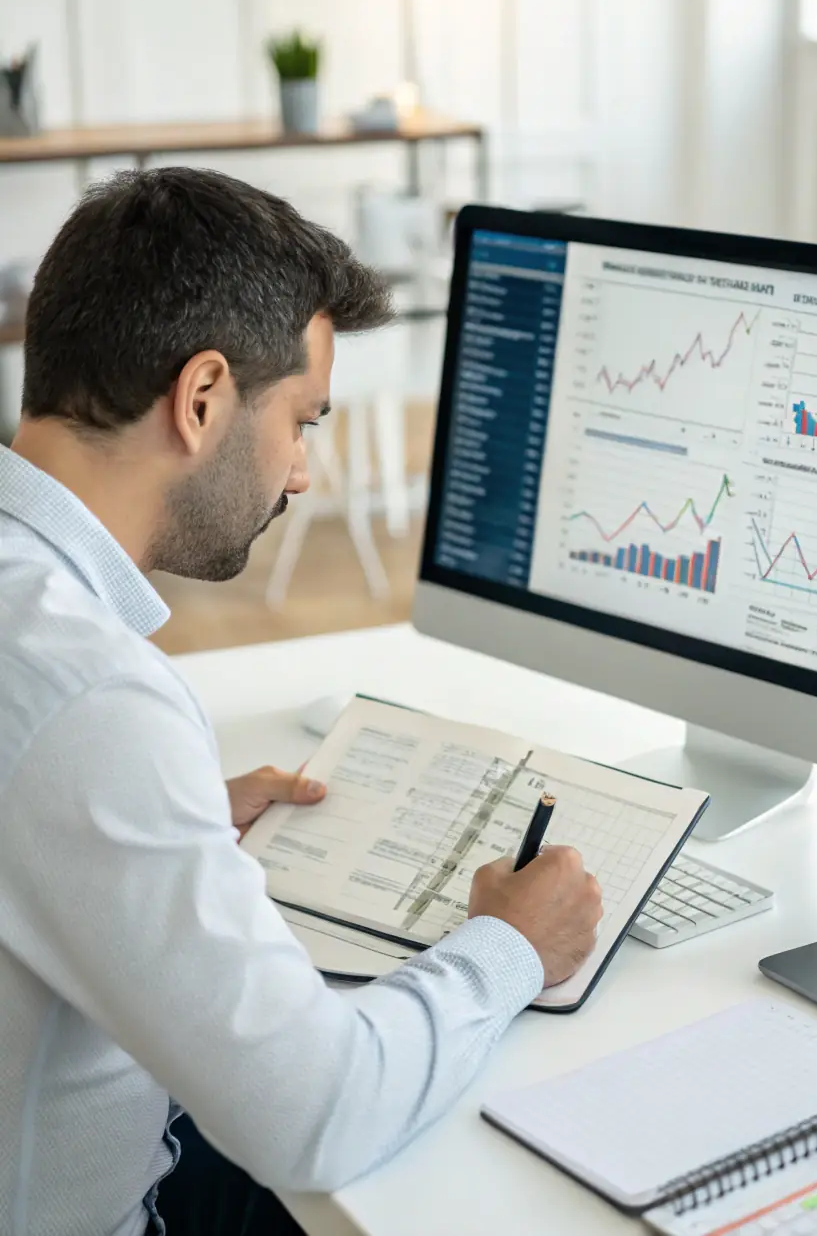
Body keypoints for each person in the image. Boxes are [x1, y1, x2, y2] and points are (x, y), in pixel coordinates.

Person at [0, 168, 603, 1236]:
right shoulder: (91, 697)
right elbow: (318, 1109)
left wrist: (155, 818)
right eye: (303, 422)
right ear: (201, 399)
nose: (302, 476)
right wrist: (510, 946)